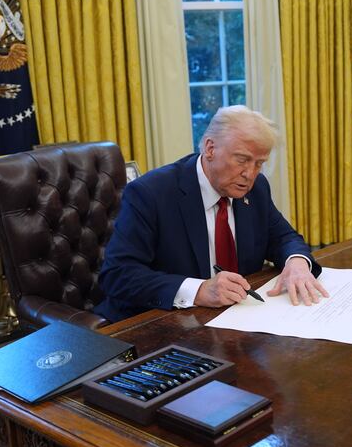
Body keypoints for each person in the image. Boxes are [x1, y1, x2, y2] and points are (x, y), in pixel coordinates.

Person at [94, 106, 328, 322]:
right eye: (242, 160)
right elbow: (118, 275)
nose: (250, 174)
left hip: (238, 319)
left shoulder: (256, 189)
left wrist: (296, 263)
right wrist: (198, 290)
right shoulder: (151, 193)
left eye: (259, 163)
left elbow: (283, 237)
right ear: (210, 148)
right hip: (161, 323)